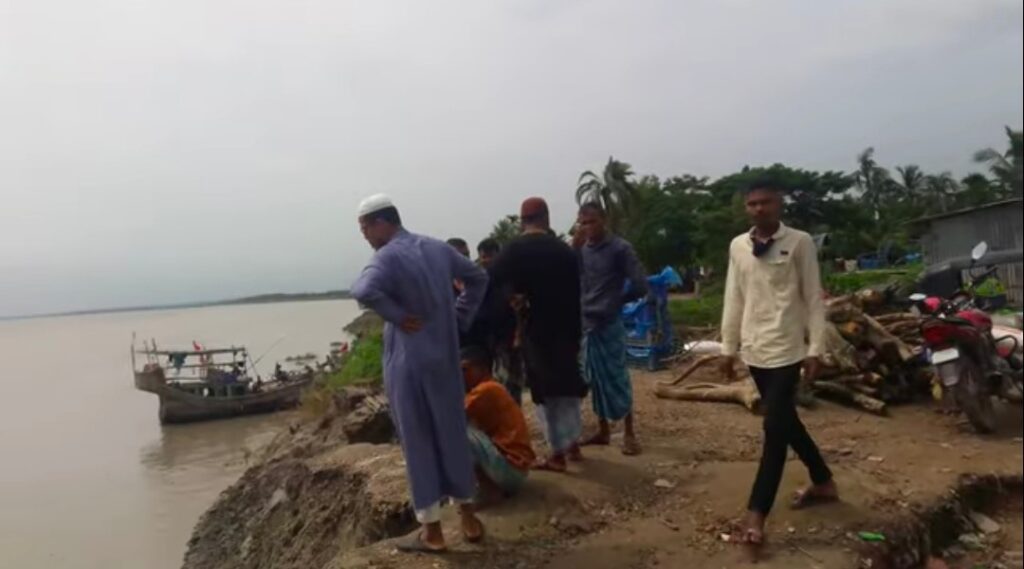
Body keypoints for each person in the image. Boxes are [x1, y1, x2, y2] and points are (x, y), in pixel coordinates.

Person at [351, 194, 489, 553]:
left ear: (381, 222)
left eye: (364, 228)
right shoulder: (437, 248)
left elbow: (362, 290)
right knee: (453, 432)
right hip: (444, 357)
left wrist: (396, 315)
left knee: (417, 440)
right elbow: (478, 277)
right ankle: (469, 520)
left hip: (408, 361)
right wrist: (460, 317)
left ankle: (432, 531)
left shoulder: (387, 256)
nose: (364, 236)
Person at [719, 179, 838, 560]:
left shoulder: (799, 242)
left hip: (788, 350)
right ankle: (823, 481)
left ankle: (756, 515)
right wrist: (728, 348)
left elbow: (813, 298)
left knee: (774, 428)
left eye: (765, 202)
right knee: (787, 422)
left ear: (779, 204)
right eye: (752, 204)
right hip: (756, 350)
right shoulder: (738, 246)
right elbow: (734, 297)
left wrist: (816, 348)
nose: (759, 209)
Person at [490, 197, 588, 473]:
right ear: (546, 218)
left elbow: (493, 284)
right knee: (568, 386)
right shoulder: (564, 251)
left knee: (544, 392)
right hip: (567, 330)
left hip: (535, 332)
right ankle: (573, 444)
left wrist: (513, 299)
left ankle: (556, 453)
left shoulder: (512, 251)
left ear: (523, 221)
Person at [576, 202, 649, 456]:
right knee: (594, 378)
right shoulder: (581, 251)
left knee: (618, 377)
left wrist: (616, 301)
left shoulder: (620, 248)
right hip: (588, 323)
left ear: (604, 220)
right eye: (583, 223)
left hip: (609, 323)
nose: (588, 227)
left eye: (592, 222)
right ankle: (603, 429)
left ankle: (629, 433)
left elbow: (640, 284)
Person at [461, 346, 535, 501]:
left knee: (459, 431)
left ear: (482, 369)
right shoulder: (491, 388)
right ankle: (487, 486)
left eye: (465, 369)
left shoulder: (487, 389)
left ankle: (488, 489)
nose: (462, 375)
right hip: (514, 469)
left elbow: (451, 415)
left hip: (511, 469)